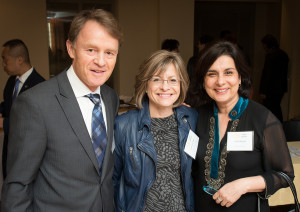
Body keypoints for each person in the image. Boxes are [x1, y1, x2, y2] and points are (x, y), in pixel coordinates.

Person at [2, 9, 122, 212]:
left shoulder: (110, 98)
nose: (101, 62)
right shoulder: (35, 104)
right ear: (71, 48)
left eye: (109, 52)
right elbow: (17, 187)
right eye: (91, 50)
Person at [190, 41, 294, 212]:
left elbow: (285, 175)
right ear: (203, 80)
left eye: (228, 73)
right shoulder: (197, 116)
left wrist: (243, 185)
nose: (220, 81)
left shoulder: (264, 119)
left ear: (240, 78)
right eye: (212, 74)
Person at [113, 50, 197, 212]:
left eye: (173, 80)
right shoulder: (124, 125)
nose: (165, 87)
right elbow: (112, 181)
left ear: (181, 85)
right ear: (145, 85)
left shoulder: (191, 119)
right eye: (156, 79)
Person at [0, 39, 45, 179]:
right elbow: (8, 105)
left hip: (28, 158)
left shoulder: (40, 86)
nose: (3, 64)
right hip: (10, 152)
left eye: (5, 60)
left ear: (19, 59)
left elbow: (36, 125)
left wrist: (5, 123)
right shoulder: (11, 81)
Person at [260, 34, 289, 122]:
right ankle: (279, 127)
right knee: (276, 108)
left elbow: (267, 74)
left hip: (270, 89)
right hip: (280, 88)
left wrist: (263, 91)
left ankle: (271, 128)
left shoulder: (271, 56)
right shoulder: (284, 54)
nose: (263, 47)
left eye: (264, 44)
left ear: (267, 44)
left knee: (270, 109)